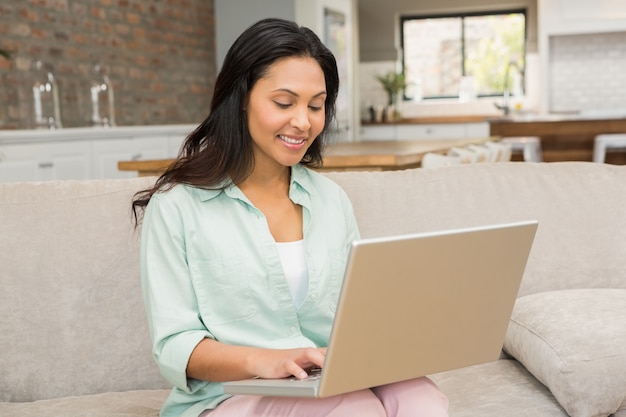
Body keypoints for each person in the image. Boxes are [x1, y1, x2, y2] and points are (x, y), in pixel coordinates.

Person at [132, 18, 449, 417]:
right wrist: (267, 360)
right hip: (230, 396)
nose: (303, 122)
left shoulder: (332, 200)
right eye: (284, 103)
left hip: (325, 377)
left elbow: (352, 316)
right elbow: (174, 344)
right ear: (242, 96)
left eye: (316, 106)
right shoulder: (177, 206)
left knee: (423, 398)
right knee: (353, 409)